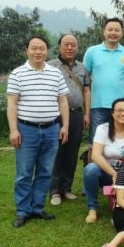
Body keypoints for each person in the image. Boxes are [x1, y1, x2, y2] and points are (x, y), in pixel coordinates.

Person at [6, 35, 69, 228]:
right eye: (34, 48)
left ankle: (37, 207)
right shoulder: (17, 74)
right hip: (26, 130)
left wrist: (65, 126)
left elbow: (63, 102)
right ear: (27, 50)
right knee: (24, 172)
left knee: (45, 172)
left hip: (52, 129)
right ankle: (23, 211)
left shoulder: (56, 73)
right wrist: (13, 130)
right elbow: (12, 104)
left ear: (47, 51)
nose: (38, 52)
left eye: (42, 48)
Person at [48, 33, 90, 205]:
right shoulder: (50, 66)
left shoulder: (82, 68)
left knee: (72, 152)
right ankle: (54, 191)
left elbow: (86, 91)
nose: (70, 48)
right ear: (59, 46)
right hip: (56, 115)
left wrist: (86, 113)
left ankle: (66, 188)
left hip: (77, 114)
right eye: (66, 44)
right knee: (57, 152)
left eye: (73, 45)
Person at [82, 98, 124, 224]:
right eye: (119, 110)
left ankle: (121, 201)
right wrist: (114, 174)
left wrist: (122, 177)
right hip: (106, 174)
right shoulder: (102, 129)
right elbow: (95, 155)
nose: (123, 113)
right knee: (90, 169)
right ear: (112, 113)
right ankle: (92, 209)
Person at [83, 17, 124, 143]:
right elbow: (85, 76)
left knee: (119, 141)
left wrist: (119, 88)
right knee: (96, 142)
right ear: (104, 32)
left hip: (120, 107)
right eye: (110, 29)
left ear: (121, 33)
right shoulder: (92, 51)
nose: (113, 33)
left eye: (117, 30)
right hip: (97, 105)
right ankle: (93, 157)